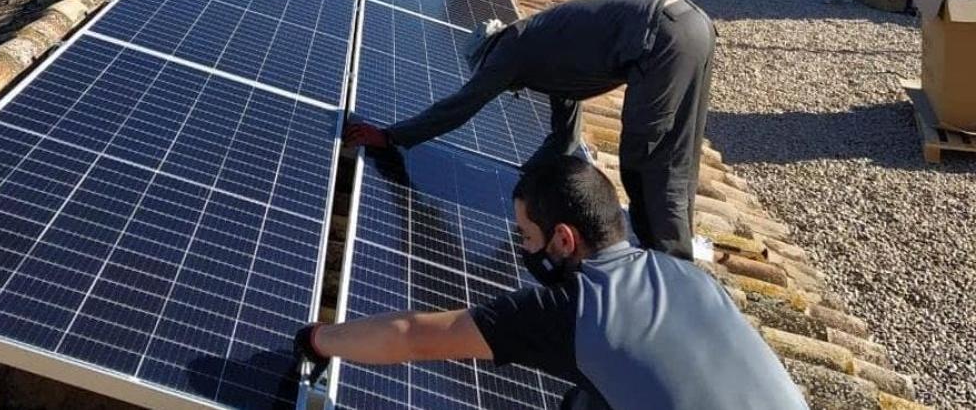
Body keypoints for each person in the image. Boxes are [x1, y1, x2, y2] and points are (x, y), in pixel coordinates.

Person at [294, 157, 807, 410]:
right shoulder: (687, 276)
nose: (523, 249)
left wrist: (318, 339)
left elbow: (412, 334)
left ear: (563, 239)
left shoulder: (574, 310)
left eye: (527, 235)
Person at [345, 0, 715, 260]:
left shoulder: (510, 50)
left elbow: (460, 106)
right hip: (689, 22)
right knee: (677, 152)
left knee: (645, 155)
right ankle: (670, 244)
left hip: (660, 39)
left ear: (487, 55)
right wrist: (531, 176)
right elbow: (565, 134)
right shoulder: (546, 47)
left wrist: (392, 136)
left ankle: (670, 264)